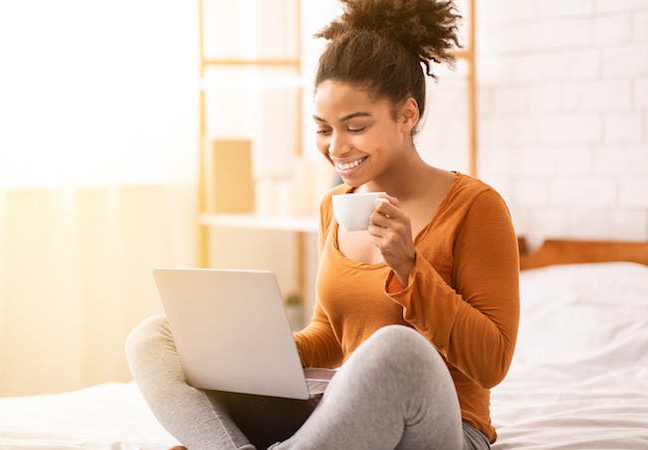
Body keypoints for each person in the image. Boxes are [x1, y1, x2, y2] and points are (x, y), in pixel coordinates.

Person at [126, 0, 520, 448]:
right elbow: (332, 335)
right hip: (345, 418)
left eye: (355, 126)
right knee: (154, 337)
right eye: (323, 128)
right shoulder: (335, 204)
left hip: (442, 428)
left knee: (398, 349)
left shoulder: (475, 207)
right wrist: (257, 353)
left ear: (406, 115)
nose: (336, 147)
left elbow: (493, 364)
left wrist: (412, 270)